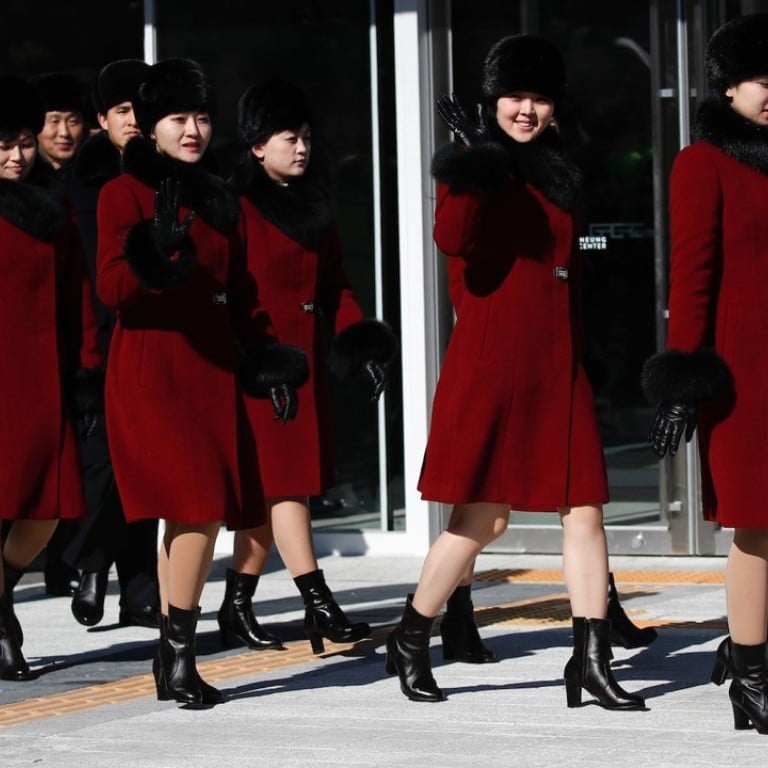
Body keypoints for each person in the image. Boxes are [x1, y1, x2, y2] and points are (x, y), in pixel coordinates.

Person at [384, 34, 645, 711]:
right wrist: (480, 164)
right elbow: (452, 240)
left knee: (585, 509)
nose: (525, 109)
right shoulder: (473, 165)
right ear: (493, 101)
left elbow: (568, 274)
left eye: (537, 98)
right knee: (485, 518)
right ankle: (412, 634)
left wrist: (587, 352)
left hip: (557, 363)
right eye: (514, 97)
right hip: (494, 360)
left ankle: (589, 662)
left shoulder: (560, 170)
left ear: (553, 107)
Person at [96, 58, 302, 707]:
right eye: (179, 118)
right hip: (153, 373)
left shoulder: (218, 198)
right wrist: (153, 250)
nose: (193, 130)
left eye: (203, 117)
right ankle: (177, 656)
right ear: (150, 127)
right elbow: (111, 290)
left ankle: (171, 653)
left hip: (212, 373)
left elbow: (238, 293)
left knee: (203, 515)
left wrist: (266, 358)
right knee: (196, 505)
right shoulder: (120, 194)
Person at [221, 78, 397, 655]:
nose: (302, 148)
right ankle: (318, 601)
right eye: (288, 138)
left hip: (308, 366)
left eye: (306, 137)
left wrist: (362, 343)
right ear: (256, 145)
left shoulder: (317, 205)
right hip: (261, 369)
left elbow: (336, 287)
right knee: (286, 489)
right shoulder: (236, 208)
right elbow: (230, 296)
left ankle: (236, 605)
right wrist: (262, 363)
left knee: (273, 494)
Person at [642, 14, 768, 735]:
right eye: (760, 81)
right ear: (724, 86)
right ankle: (749, 677)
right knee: (756, 526)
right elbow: (691, 278)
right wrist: (685, 381)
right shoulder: (704, 162)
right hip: (743, 378)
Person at [0, 75, 102, 679]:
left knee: (48, 508)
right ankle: (4, 622)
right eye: (2, 145)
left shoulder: (54, 207)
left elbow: (78, 296)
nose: (16, 156)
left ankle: (3, 590)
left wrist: (87, 368)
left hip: (42, 378)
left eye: (23, 143)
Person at [62, 59, 161, 630]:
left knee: (144, 466)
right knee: (102, 465)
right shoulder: (79, 184)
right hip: (94, 341)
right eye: (121, 111)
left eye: (139, 109)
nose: (133, 121)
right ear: (100, 119)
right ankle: (93, 562)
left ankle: (138, 589)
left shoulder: (167, 176)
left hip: (150, 336)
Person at [30, 70, 91, 597]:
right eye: (52, 121)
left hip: (55, 361)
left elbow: (79, 288)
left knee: (56, 492)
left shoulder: (75, 195)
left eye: (73, 120)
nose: (63, 131)